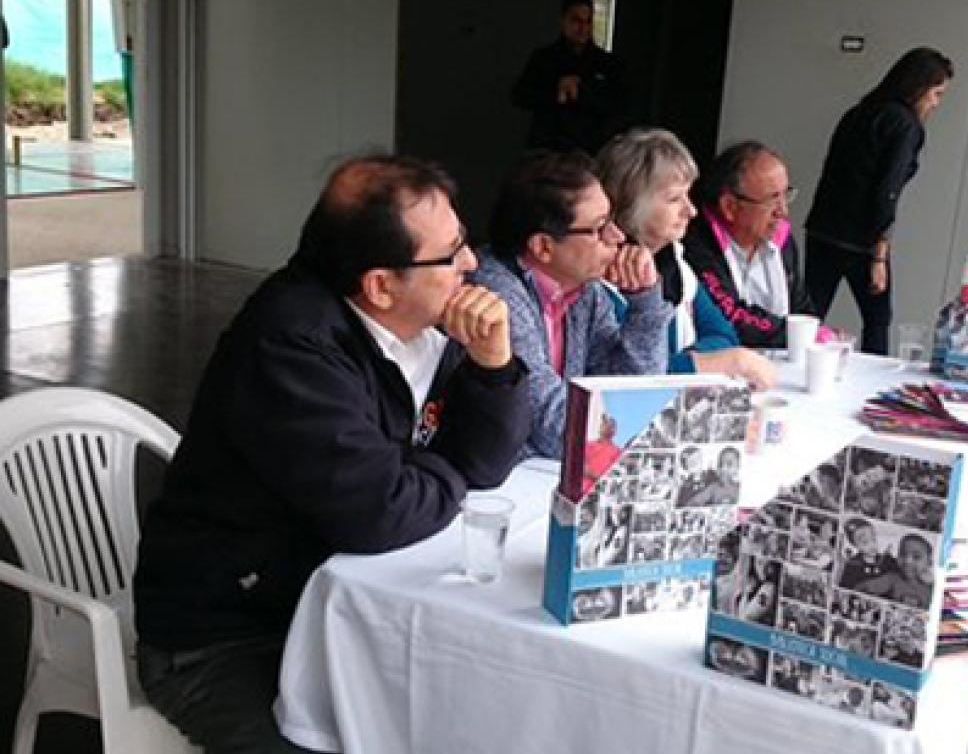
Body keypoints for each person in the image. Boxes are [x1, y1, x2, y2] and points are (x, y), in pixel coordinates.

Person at [132, 156, 531, 752]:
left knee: (469, 717)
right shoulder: (290, 344)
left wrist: (493, 365)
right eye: (451, 254)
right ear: (380, 285)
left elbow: (487, 465)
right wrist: (439, 470)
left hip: (335, 612)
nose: (471, 264)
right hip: (224, 640)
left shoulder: (425, 324)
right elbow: (381, 512)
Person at [474, 150, 673, 458]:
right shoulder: (495, 293)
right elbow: (550, 426)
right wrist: (627, 426)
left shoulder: (585, 290)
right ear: (543, 247)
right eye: (599, 228)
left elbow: (631, 392)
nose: (618, 236)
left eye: (612, 221)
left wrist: (645, 303)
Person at [596, 128, 777, 389]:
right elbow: (623, 379)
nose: (691, 211)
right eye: (674, 199)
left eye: (688, 195)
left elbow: (724, 336)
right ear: (632, 204)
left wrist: (681, 363)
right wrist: (713, 363)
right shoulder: (601, 286)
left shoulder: (675, 265)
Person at [804, 47, 955, 355]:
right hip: (861, 239)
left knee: (809, 314)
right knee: (877, 320)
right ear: (919, 87)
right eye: (936, 94)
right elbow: (888, 190)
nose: (936, 104)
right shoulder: (906, 125)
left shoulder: (859, 113)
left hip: (823, 228)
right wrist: (879, 256)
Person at [682, 141, 819, 348]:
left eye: (786, 195)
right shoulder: (696, 245)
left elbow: (801, 309)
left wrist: (818, 334)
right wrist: (794, 334)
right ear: (730, 207)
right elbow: (731, 317)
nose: (783, 212)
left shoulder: (781, 239)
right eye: (772, 200)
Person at [510, 0, 628, 154]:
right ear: (563, 21)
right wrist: (556, 90)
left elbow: (619, 104)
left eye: (588, 21)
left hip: (589, 149)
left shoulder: (607, 64)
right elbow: (519, 96)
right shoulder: (543, 59)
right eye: (576, 21)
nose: (583, 28)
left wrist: (583, 91)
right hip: (548, 147)